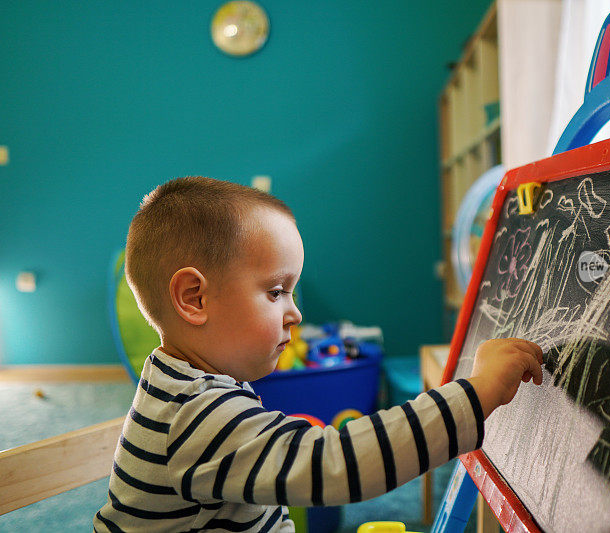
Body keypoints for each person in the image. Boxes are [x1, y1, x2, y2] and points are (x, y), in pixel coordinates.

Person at [94, 176, 543, 532]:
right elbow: (336, 465)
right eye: (275, 292)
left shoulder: (177, 383)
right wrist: (477, 394)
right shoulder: (193, 415)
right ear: (194, 298)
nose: (295, 313)